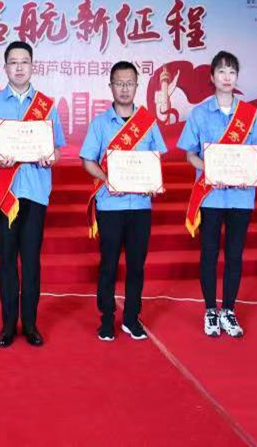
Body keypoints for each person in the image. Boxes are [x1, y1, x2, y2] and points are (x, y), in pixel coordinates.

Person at [0, 41, 65, 348]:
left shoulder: (46, 105)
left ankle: (31, 324)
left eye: (24, 62)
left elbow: (57, 149)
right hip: (6, 194)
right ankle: (8, 325)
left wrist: (50, 158)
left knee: (32, 260)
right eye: (14, 62)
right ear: (5, 67)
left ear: (33, 66)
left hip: (36, 192)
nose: (19, 67)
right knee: (7, 260)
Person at [177, 50, 257, 338]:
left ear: (237, 77)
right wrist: (209, 169)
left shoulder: (250, 115)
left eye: (232, 71)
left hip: (241, 197)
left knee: (234, 254)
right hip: (211, 195)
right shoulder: (199, 113)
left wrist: (247, 173)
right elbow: (190, 155)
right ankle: (210, 310)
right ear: (212, 76)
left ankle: (228, 310)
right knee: (209, 252)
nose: (227, 77)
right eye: (221, 71)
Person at [80, 61, 167, 341]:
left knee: (136, 266)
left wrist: (153, 183)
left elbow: (155, 159)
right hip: (110, 206)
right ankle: (106, 319)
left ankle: (131, 318)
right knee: (108, 265)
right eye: (120, 83)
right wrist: (107, 179)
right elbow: (87, 161)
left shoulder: (147, 123)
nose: (125, 88)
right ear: (111, 86)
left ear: (137, 86)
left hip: (140, 207)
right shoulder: (100, 123)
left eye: (130, 83)